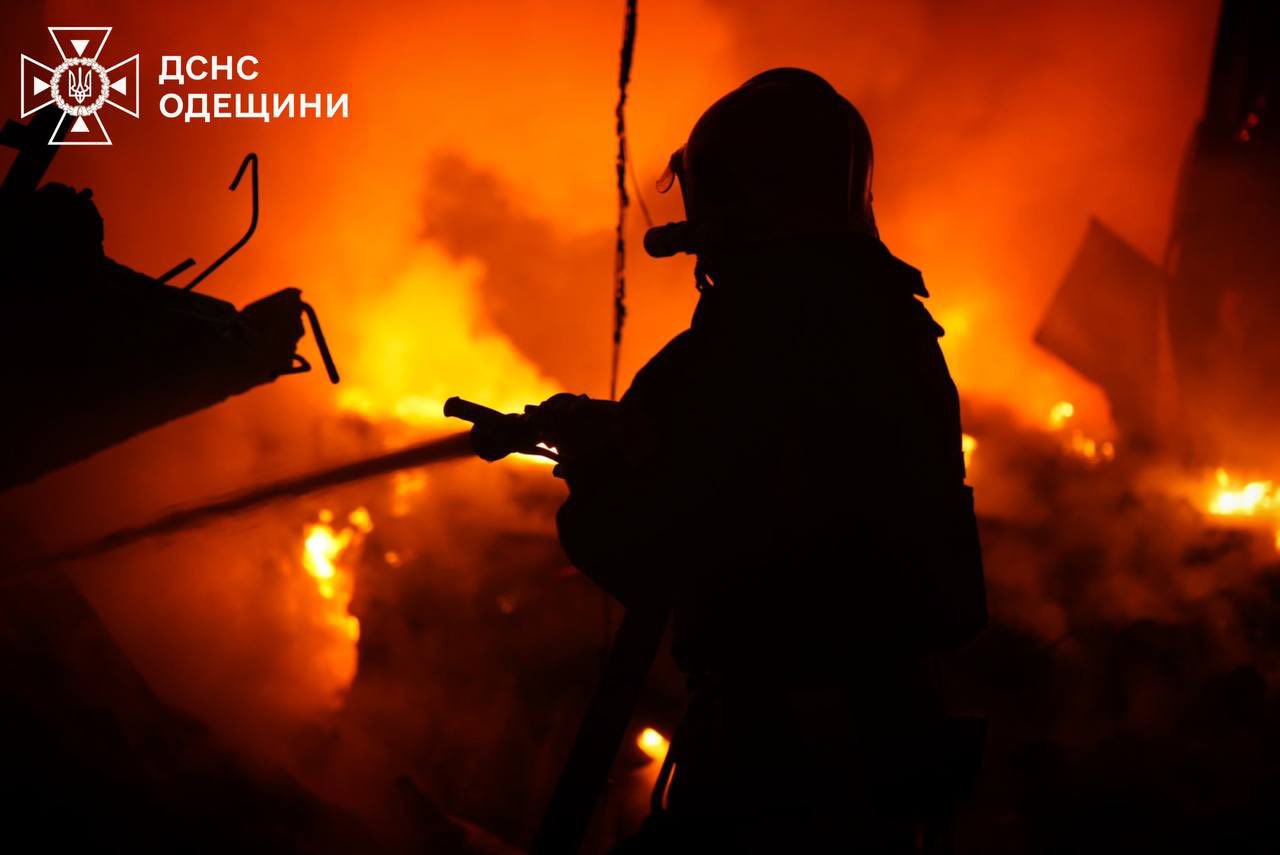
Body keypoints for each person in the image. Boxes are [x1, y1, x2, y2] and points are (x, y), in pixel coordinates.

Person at [531, 68, 987, 852]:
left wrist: (594, 465)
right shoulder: (905, 338)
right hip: (889, 755)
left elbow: (640, 545)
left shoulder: (730, 351)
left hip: (765, 766)